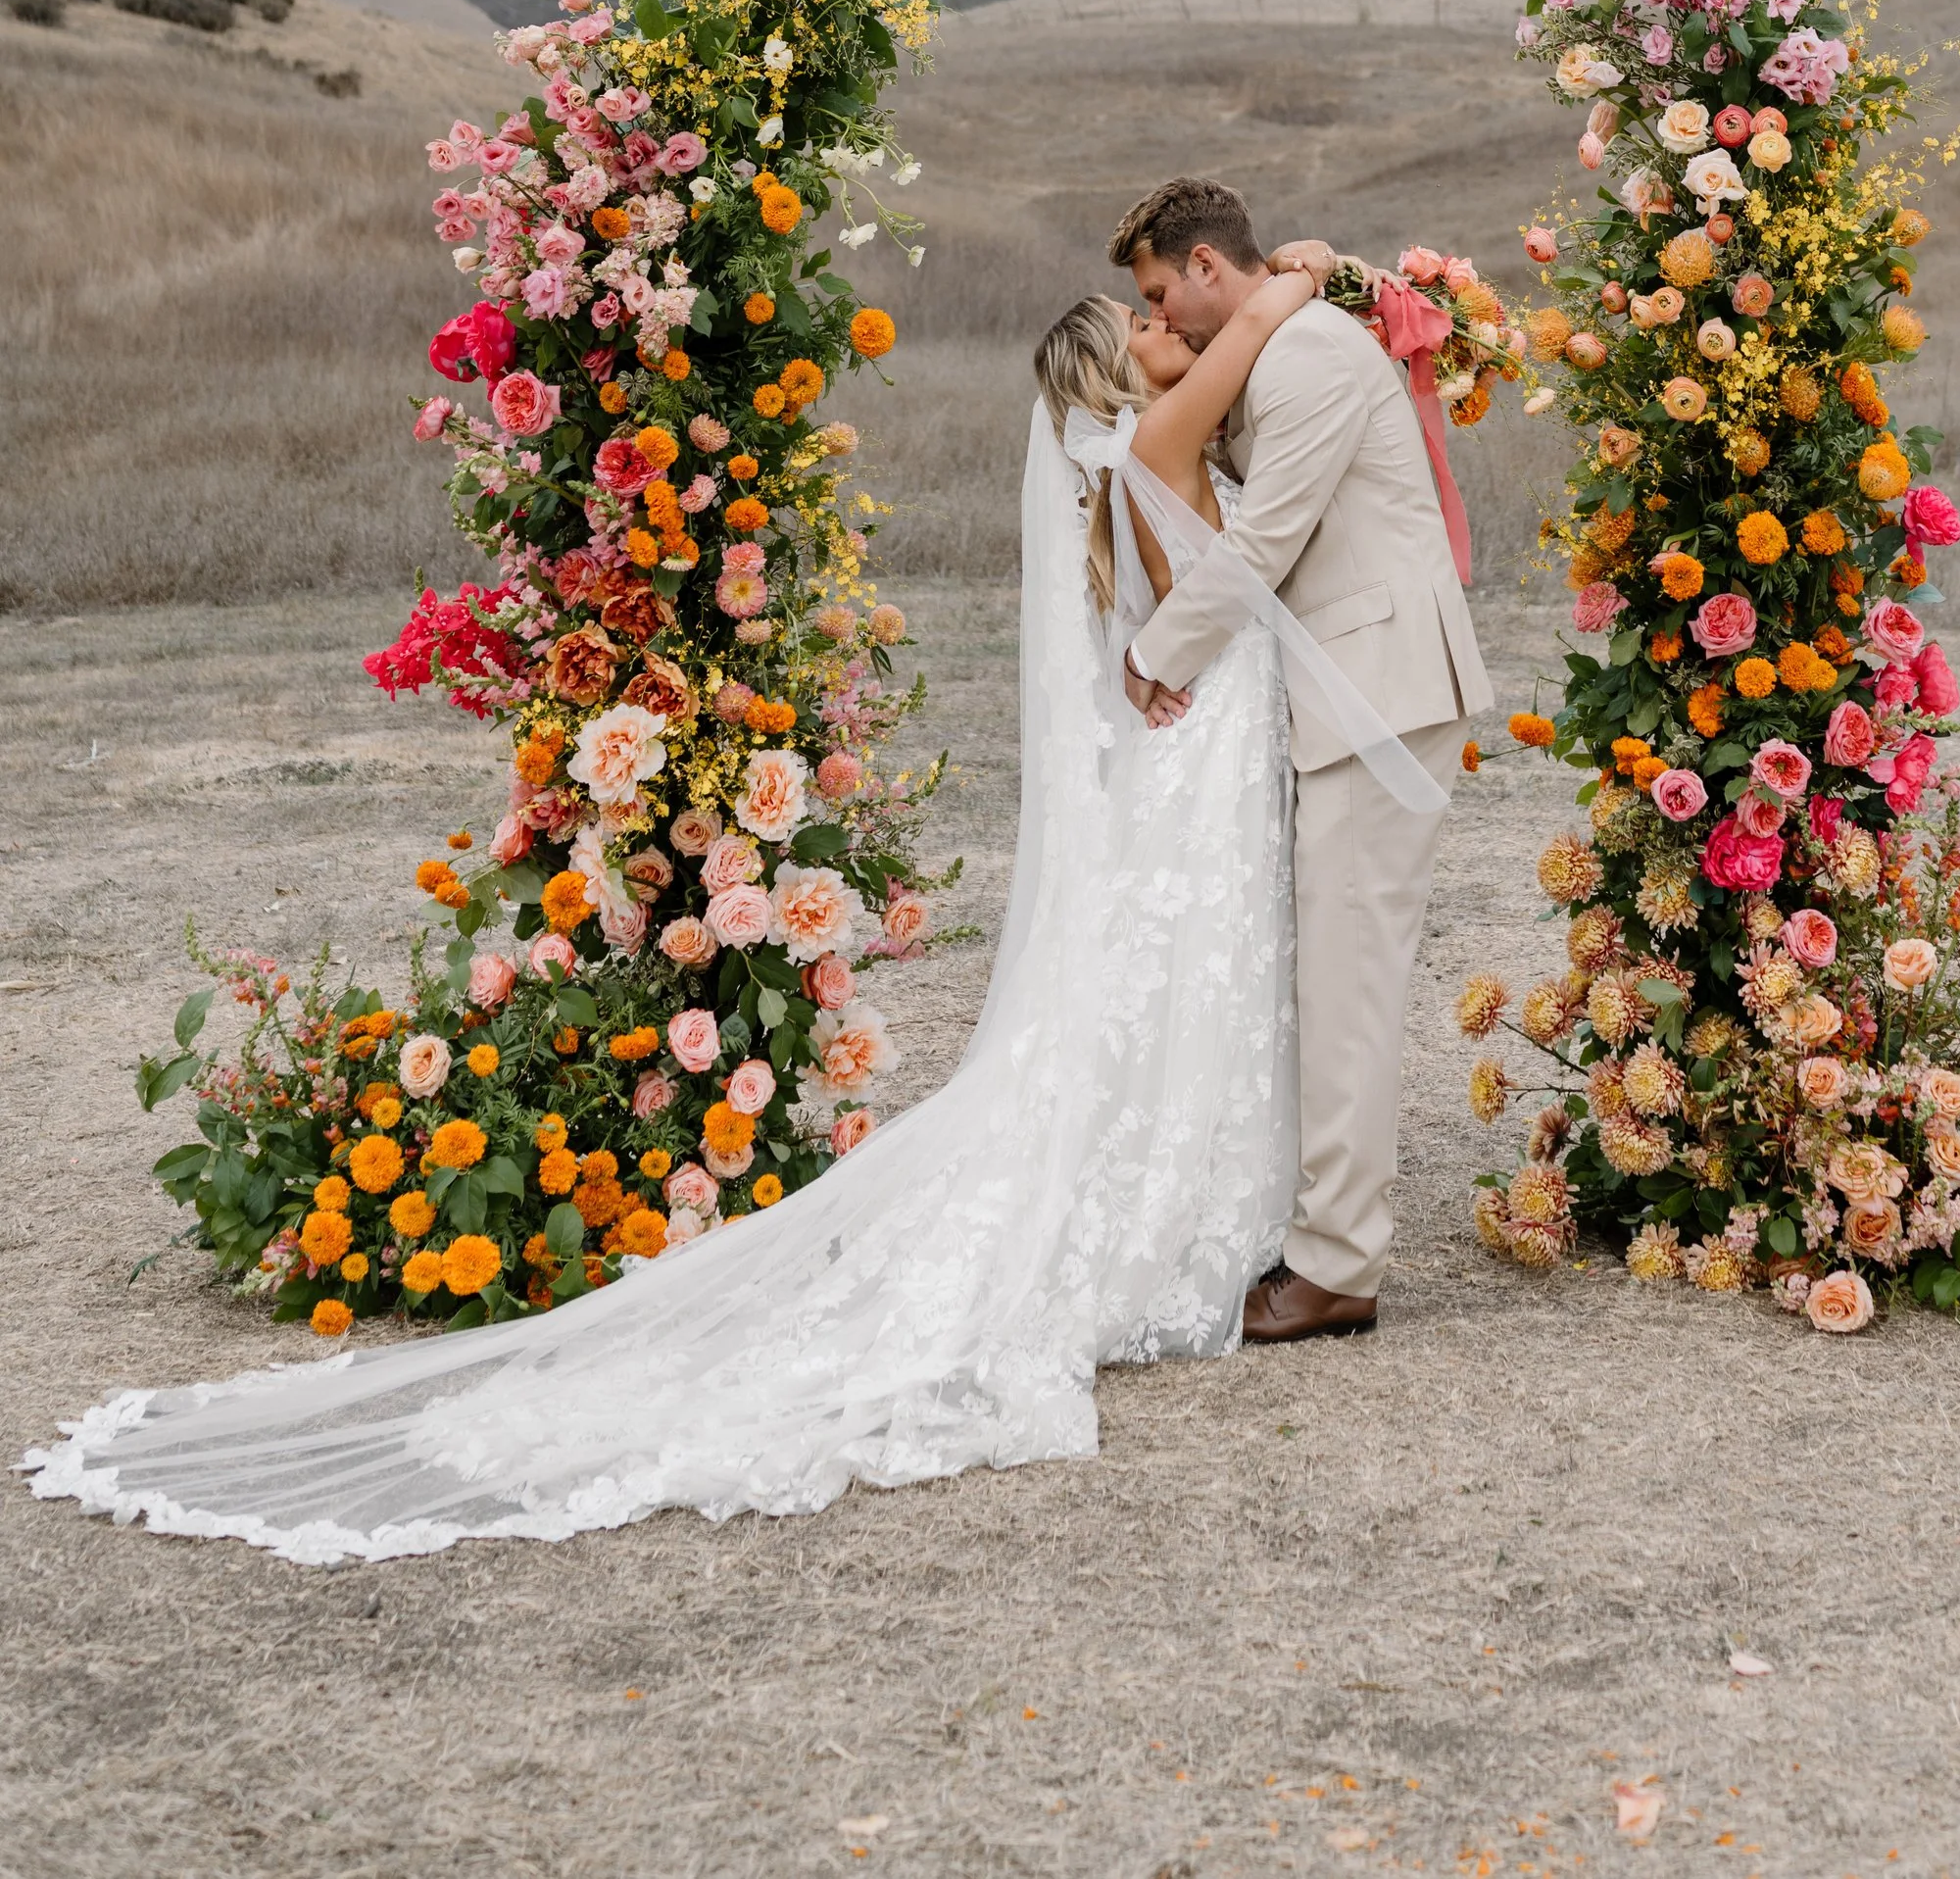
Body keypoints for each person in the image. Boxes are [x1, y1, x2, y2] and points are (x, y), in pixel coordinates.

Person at [23, 261, 1325, 1563]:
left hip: (1176, 770)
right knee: (1176, 981)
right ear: (1109, 370)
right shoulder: (1152, 448)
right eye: (1147, 323)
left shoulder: (1111, 465)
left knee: (1162, 985)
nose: (1169, 331)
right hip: (1191, 761)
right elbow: (1219, 537)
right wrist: (1294, 290)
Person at [1112, 176, 1494, 1344]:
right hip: (1350, 688)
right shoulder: (1278, 347)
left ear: (1210, 270)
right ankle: (1324, 1235)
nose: (1158, 317)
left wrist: (1157, 653)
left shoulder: (1315, 353)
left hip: (1381, 690)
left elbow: (1269, 535)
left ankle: (1337, 1268)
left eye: (1160, 292)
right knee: (1329, 972)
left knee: (1351, 980)